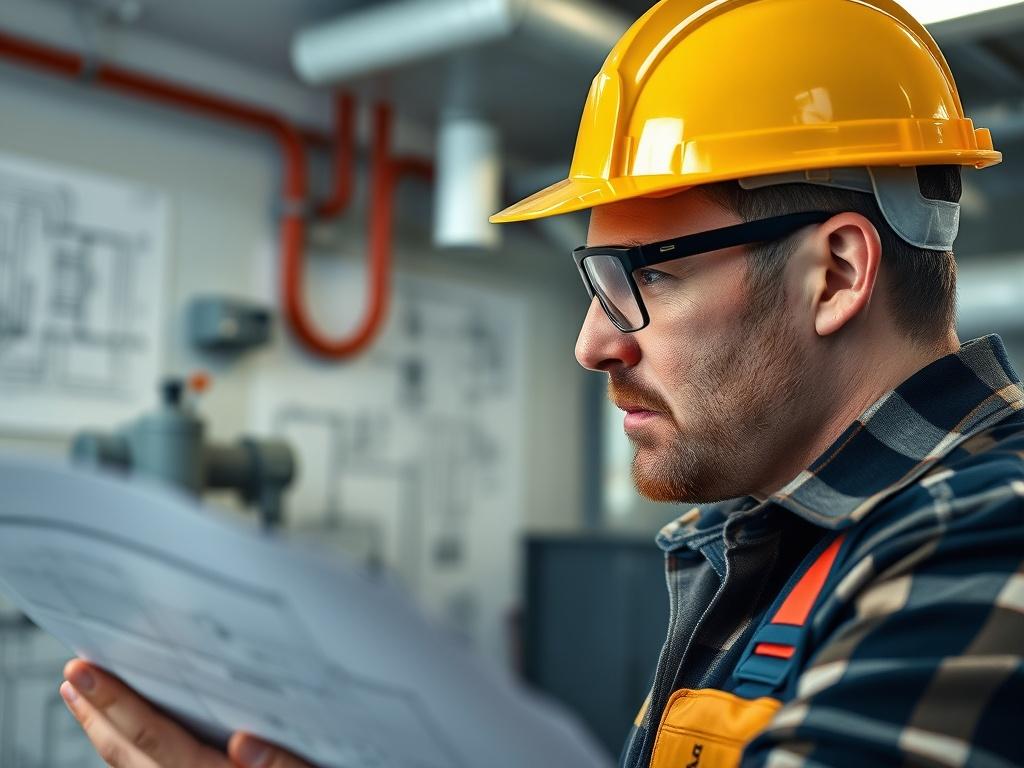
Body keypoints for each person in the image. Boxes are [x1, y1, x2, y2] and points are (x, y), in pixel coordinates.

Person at [64, 1, 1023, 767]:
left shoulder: (988, 539)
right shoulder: (789, 544)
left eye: (645, 276)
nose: (593, 343)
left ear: (838, 276)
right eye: (594, 284)